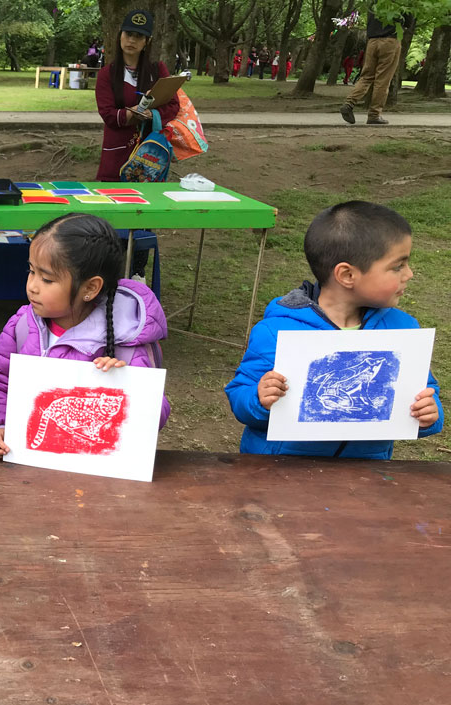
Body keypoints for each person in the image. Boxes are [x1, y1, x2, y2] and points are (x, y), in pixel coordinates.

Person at [225, 201, 443, 459]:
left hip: (364, 476)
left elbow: (423, 393)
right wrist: (259, 399)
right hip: (280, 472)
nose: (410, 274)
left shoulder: (402, 331)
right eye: (398, 266)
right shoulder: (277, 331)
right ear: (347, 275)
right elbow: (240, 397)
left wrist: (428, 414)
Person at [0, 213, 170, 459]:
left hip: (93, 482)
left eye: (47, 278)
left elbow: (157, 413)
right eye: (31, 271)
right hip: (26, 474)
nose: (32, 285)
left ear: (90, 288)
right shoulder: (23, 325)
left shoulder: (127, 342)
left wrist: (125, 384)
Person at [94, 8, 180, 184]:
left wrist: (152, 115)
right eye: (128, 33)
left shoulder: (157, 71)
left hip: (150, 156)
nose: (132, 40)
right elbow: (108, 114)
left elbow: (173, 105)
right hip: (116, 154)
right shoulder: (106, 74)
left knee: (147, 206)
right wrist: (134, 112)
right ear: (120, 36)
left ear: (147, 42)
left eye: (139, 36)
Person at [340, 11, 409, 125]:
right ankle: (374, 114)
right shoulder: (401, 3)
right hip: (390, 41)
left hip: (372, 41)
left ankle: (349, 103)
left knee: (366, 76)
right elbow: (408, 22)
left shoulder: (374, 4)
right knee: (382, 80)